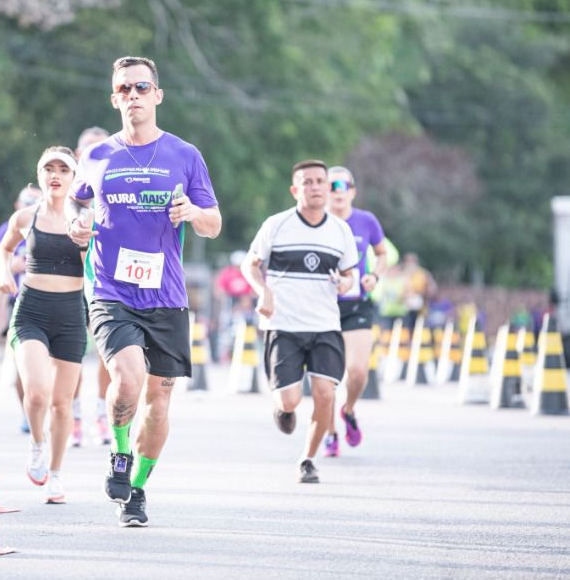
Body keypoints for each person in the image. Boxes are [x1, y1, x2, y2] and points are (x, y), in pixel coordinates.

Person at [67, 56, 221, 526]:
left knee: (159, 402)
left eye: (141, 87)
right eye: (124, 89)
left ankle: (136, 489)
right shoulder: (97, 156)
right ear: (114, 98)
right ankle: (118, 451)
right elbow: (77, 205)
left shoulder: (185, 155)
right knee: (128, 379)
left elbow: (213, 224)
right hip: (112, 291)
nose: (132, 95)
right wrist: (77, 226)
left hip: (167, 296)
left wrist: (192, 213)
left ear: (157, 95)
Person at [242, 160, 358, 484]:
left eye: (321, 181)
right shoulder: (276, 225)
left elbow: (350, 275)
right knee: (290, 399)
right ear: (295, 190)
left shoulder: (340, 231)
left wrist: (345, 283)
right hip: (284, 325)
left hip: (325, 326)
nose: (316, 187)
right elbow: (250, 265)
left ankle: (307, 459)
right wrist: (263, 291)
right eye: (308, 182)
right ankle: (284, 408)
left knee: (325, 394)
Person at [0, 147, 88, 504]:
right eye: (48, 169)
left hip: (71, 313)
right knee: (37, 392)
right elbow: (5, 249)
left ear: (74, 178)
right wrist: (4, 273)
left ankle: (56, 473)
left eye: (63, 170)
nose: (55, 175)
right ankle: (37, 444)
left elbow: (97, 266)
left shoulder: (87, 219)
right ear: (39, 175)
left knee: (62, 404)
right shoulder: (25, 217)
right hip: (31, 310)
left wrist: (86, 241)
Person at [323, 166, 388, 458]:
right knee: (325, 379)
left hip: (357, 304)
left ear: (353, 191)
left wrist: (375, 276)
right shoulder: (316, 221)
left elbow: (382, 253)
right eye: (332, 186)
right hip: (322, 305)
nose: (338, 191)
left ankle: (348, 410)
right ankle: (330, 434)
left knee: (358, 371)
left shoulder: (366, 221)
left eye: (343, 186)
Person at [71, 126, 112, 448]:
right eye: (90, 150)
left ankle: (101, 414)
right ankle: (72, 416)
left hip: (103, 282)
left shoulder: (117, 190)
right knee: (71, 353)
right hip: (70, 283)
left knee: (106, 353)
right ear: (78, 155)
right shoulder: (66, 192)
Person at [0, 185, 42, 432]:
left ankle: (53, 412)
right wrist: (12, 267)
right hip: (20, 302)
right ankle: (27, 413)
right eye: (27, 202)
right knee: (22, 363)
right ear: (17, 205)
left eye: (36, 202)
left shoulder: (55, 222)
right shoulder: (10, 227)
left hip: (54, 300)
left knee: (50, 363)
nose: (31, 207)